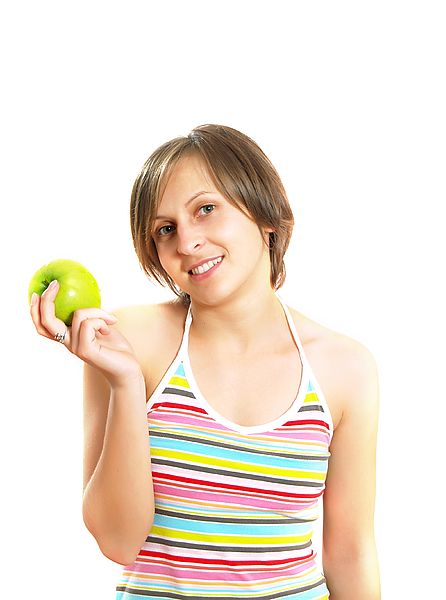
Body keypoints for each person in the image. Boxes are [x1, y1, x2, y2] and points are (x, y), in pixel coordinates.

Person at [30, 124, 380, 599]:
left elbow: (351, 552)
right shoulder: (127, 342)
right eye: (165, 229)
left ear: (266, 215)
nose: (187, 242)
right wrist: (125, 383)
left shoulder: (346, 369)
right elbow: (117, 540)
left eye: (206, 209)